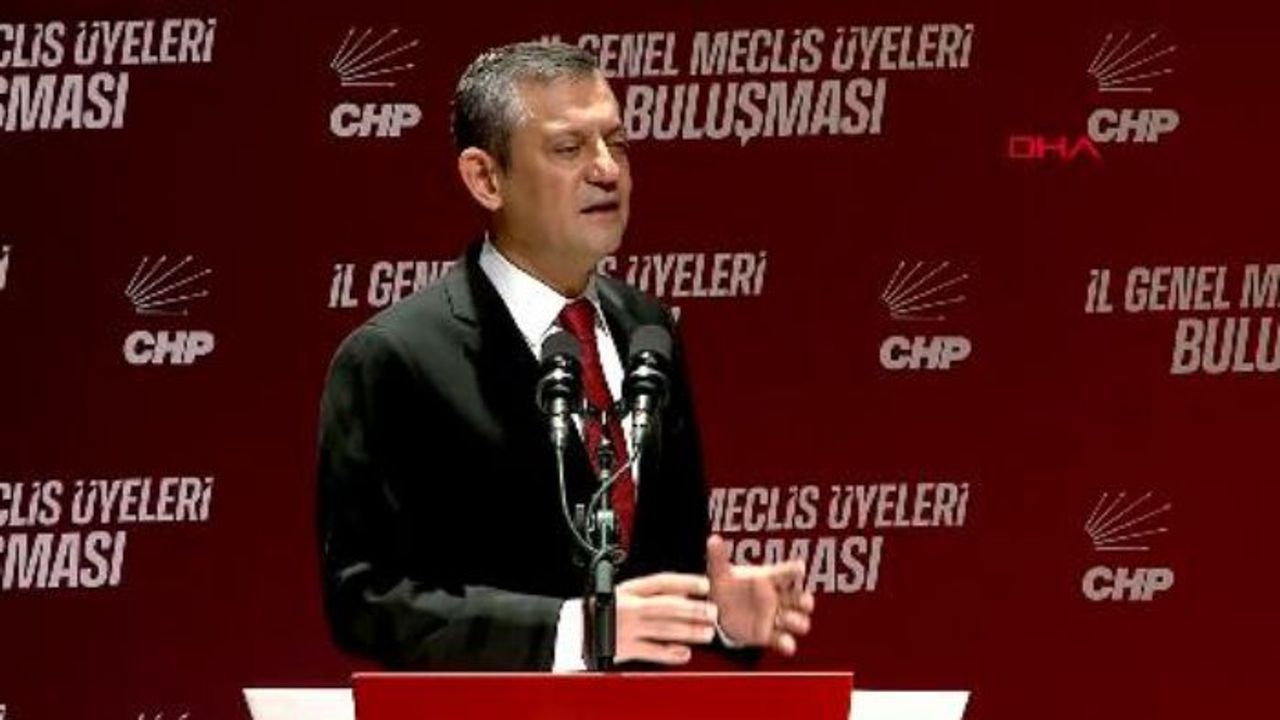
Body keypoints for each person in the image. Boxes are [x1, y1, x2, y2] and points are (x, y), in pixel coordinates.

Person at [316, 41, 814, 671]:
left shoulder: (648, 330)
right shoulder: (395, 359)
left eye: (617, 143)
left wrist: (720, 619)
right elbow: (368, 601)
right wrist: (574, 630)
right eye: (569, 148)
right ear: (486, 178)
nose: (607, 170)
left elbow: (659, 578)